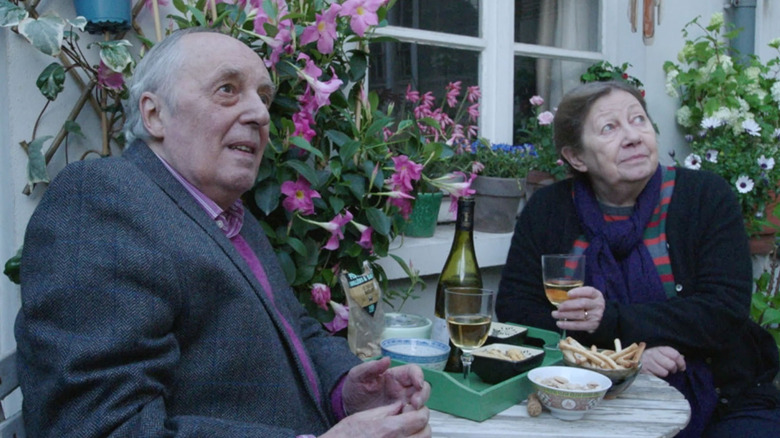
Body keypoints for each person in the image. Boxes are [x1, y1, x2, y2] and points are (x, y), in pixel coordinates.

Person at [15, 28, 431, 438]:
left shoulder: (229, 214)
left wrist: (346, 391)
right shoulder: (103, 200)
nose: (261, 114)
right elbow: (100, 427)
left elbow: (294, 328)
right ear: (154, 114)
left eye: (263, 97)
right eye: (228, 89)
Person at [497, 80, 780, 437]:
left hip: (724, 393)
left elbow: (723, 311)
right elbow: (517, 312)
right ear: (576, 157)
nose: (632, 136)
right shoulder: (549, 210)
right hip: (585, 391)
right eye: (610, 128)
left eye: (639, 120)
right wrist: (624, 360)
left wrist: (609, 320)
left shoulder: (705, 198)